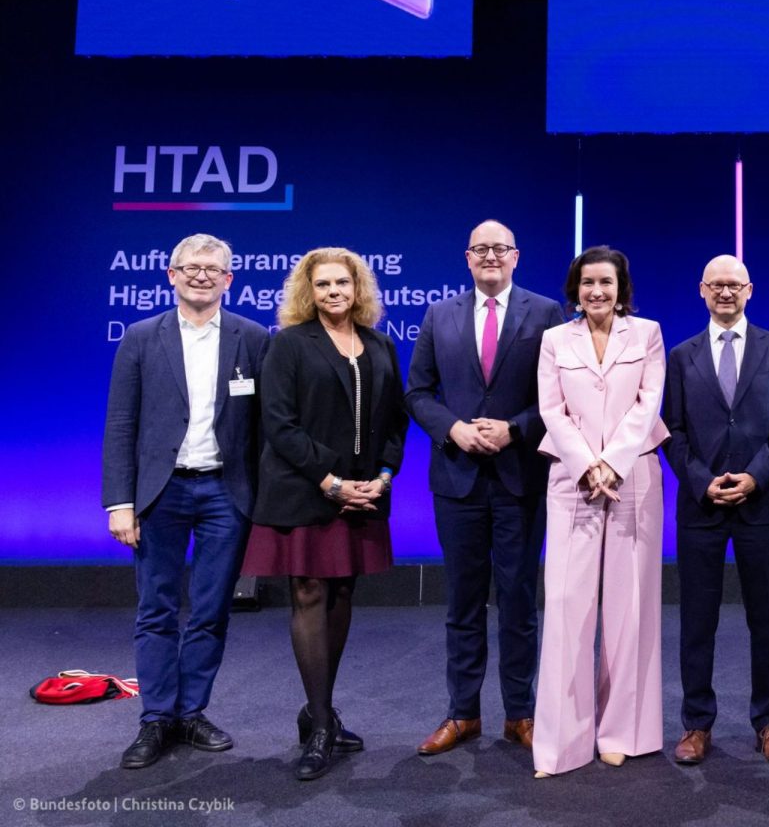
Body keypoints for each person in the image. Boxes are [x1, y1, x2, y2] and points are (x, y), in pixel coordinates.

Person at [102, 233, 269, 769]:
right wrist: (119, 502)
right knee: (156, 609)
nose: (201, 275)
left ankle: (191, 712)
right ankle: (155, 718)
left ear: (229, 279)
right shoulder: (140, 337)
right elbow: (121, 423)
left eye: (212, 268)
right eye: (190, 267)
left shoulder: (253, 337)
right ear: (171, 275)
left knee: (211, 610)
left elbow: (266, 427)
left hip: (226, 492)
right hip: (161, 492)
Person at [242, 247, 407, 781]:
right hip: (305, 491)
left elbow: (396, 421)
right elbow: (279, 423)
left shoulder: (380, 345)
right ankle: (319, 726)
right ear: (307, 292)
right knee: (310, 593)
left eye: (342, 283)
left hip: (363, 493)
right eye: (323, 284)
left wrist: (383, 476)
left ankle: (320, 712)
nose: (334, 292)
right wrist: (332, 483)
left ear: (358, 288)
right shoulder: (289, 344)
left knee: (341, 594)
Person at [405, 220, 564, 757]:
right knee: (463, 601)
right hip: (457, 480)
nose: (490, 256)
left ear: (516, 256)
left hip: (521, 479)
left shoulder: (545, 313)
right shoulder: (439, 314)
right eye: (481, 249)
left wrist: (514, 428)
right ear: (467, 258)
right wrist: (453, 428)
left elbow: (558, 396)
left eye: (500, 249)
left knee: (518, 600)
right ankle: (463, 713)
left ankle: (520, 713)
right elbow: (418, 392)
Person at [532, 245, 668, 777]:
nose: (596, 291)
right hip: (573, 480)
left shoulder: (648, 333)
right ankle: (561, 745)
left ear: (620, 288)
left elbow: (648, 403)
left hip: (633, 477)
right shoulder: (554, 340)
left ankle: (622, 734)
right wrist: (588, 464)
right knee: (566, 606)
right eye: (588, 282)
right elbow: (552, 409)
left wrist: (612, 462)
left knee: (629, 608)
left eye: (606, 282)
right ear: (575, 288)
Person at [664, 255, 769, 766]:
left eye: (734, 285)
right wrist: (703, 482)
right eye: (716, 285)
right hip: (700, 507)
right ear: (702, 290)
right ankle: (697, 724)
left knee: (766, 620)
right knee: (697, 622)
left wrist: (755, 476)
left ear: (750, 290)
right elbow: (672, 431)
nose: (725, 292)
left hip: (760, 504)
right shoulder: (682, 356)